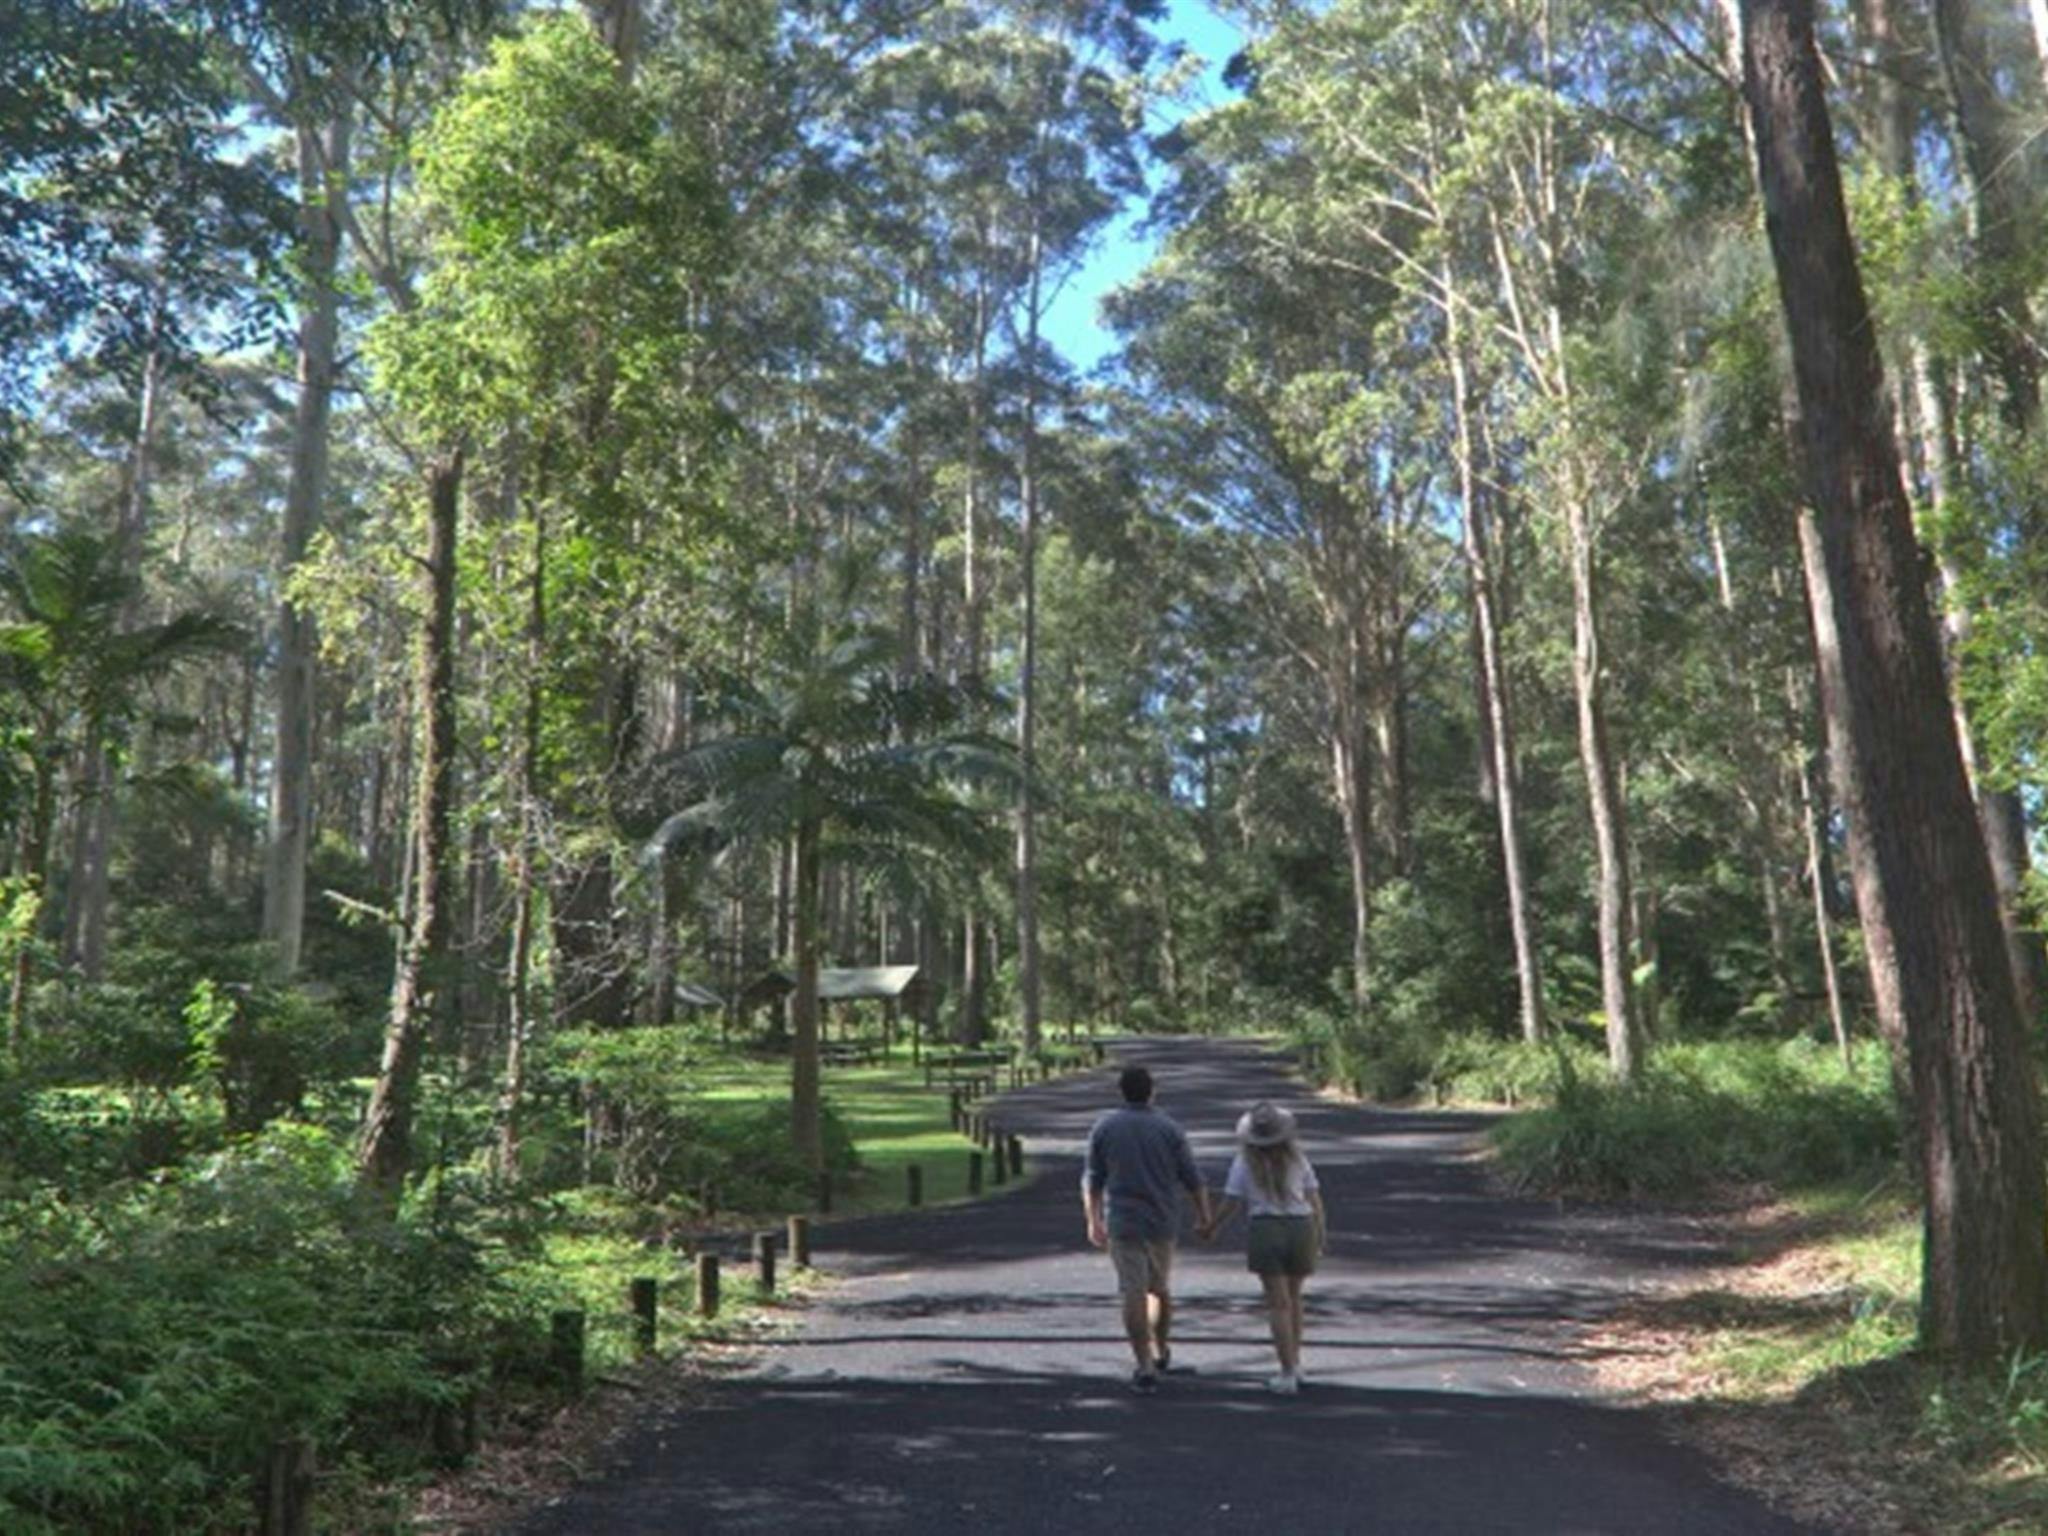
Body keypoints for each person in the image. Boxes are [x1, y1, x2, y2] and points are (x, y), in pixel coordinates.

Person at [1082, 1064, 1212, 1394]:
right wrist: (1204, 1216)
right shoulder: (1169, 1128)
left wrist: (1093, 1219)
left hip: (1123, 1220)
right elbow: (1192, 1178)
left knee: (1132, 1291)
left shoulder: (1105, 1127)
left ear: (1121, 1092)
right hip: (1161, 1220)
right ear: (1151, 1091)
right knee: (1159, 1288)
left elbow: (1093, 1179)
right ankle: (1160, 1348)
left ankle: (1144, 1363)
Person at [1201, 1100, 1325, 1395]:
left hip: (1266, 1228)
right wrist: (1320, 1234)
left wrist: (1211, 1226)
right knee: (1295, 1298)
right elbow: (1315, 1199)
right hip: (1300, 1226)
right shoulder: (1298, 1158)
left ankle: (1287, 1371)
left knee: (1277, 1304)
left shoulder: (1245, 1162)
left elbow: (1231, 1201)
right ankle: (1296, 1362)